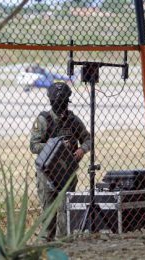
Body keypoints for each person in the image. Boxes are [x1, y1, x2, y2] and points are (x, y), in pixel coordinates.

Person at [30, 82, 91, 241]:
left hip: (66, 173)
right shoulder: (43, 120)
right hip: (47, 173)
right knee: (49, 213)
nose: (61, 106)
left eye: (63, 102)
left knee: (65, 212)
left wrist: (82, 150)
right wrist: (55, 145)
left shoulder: (73, 120)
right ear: (51, 102)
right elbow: (34, 145)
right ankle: (45, 246)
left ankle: (62, 244)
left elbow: (87, 139)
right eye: (58, 103)